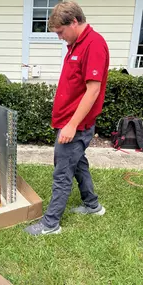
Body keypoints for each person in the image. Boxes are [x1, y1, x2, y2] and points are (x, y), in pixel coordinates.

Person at [25, 1, 110, 236]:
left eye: (61, 32)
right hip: (67, 121)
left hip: (76, 125)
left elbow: (93, 90)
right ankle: (93, 205)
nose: (60, 37)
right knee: (78, 163)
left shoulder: (94, 44)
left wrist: (72, 125)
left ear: (74, 22)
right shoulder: (76, 43)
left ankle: (50, 224)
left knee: (62, 172)